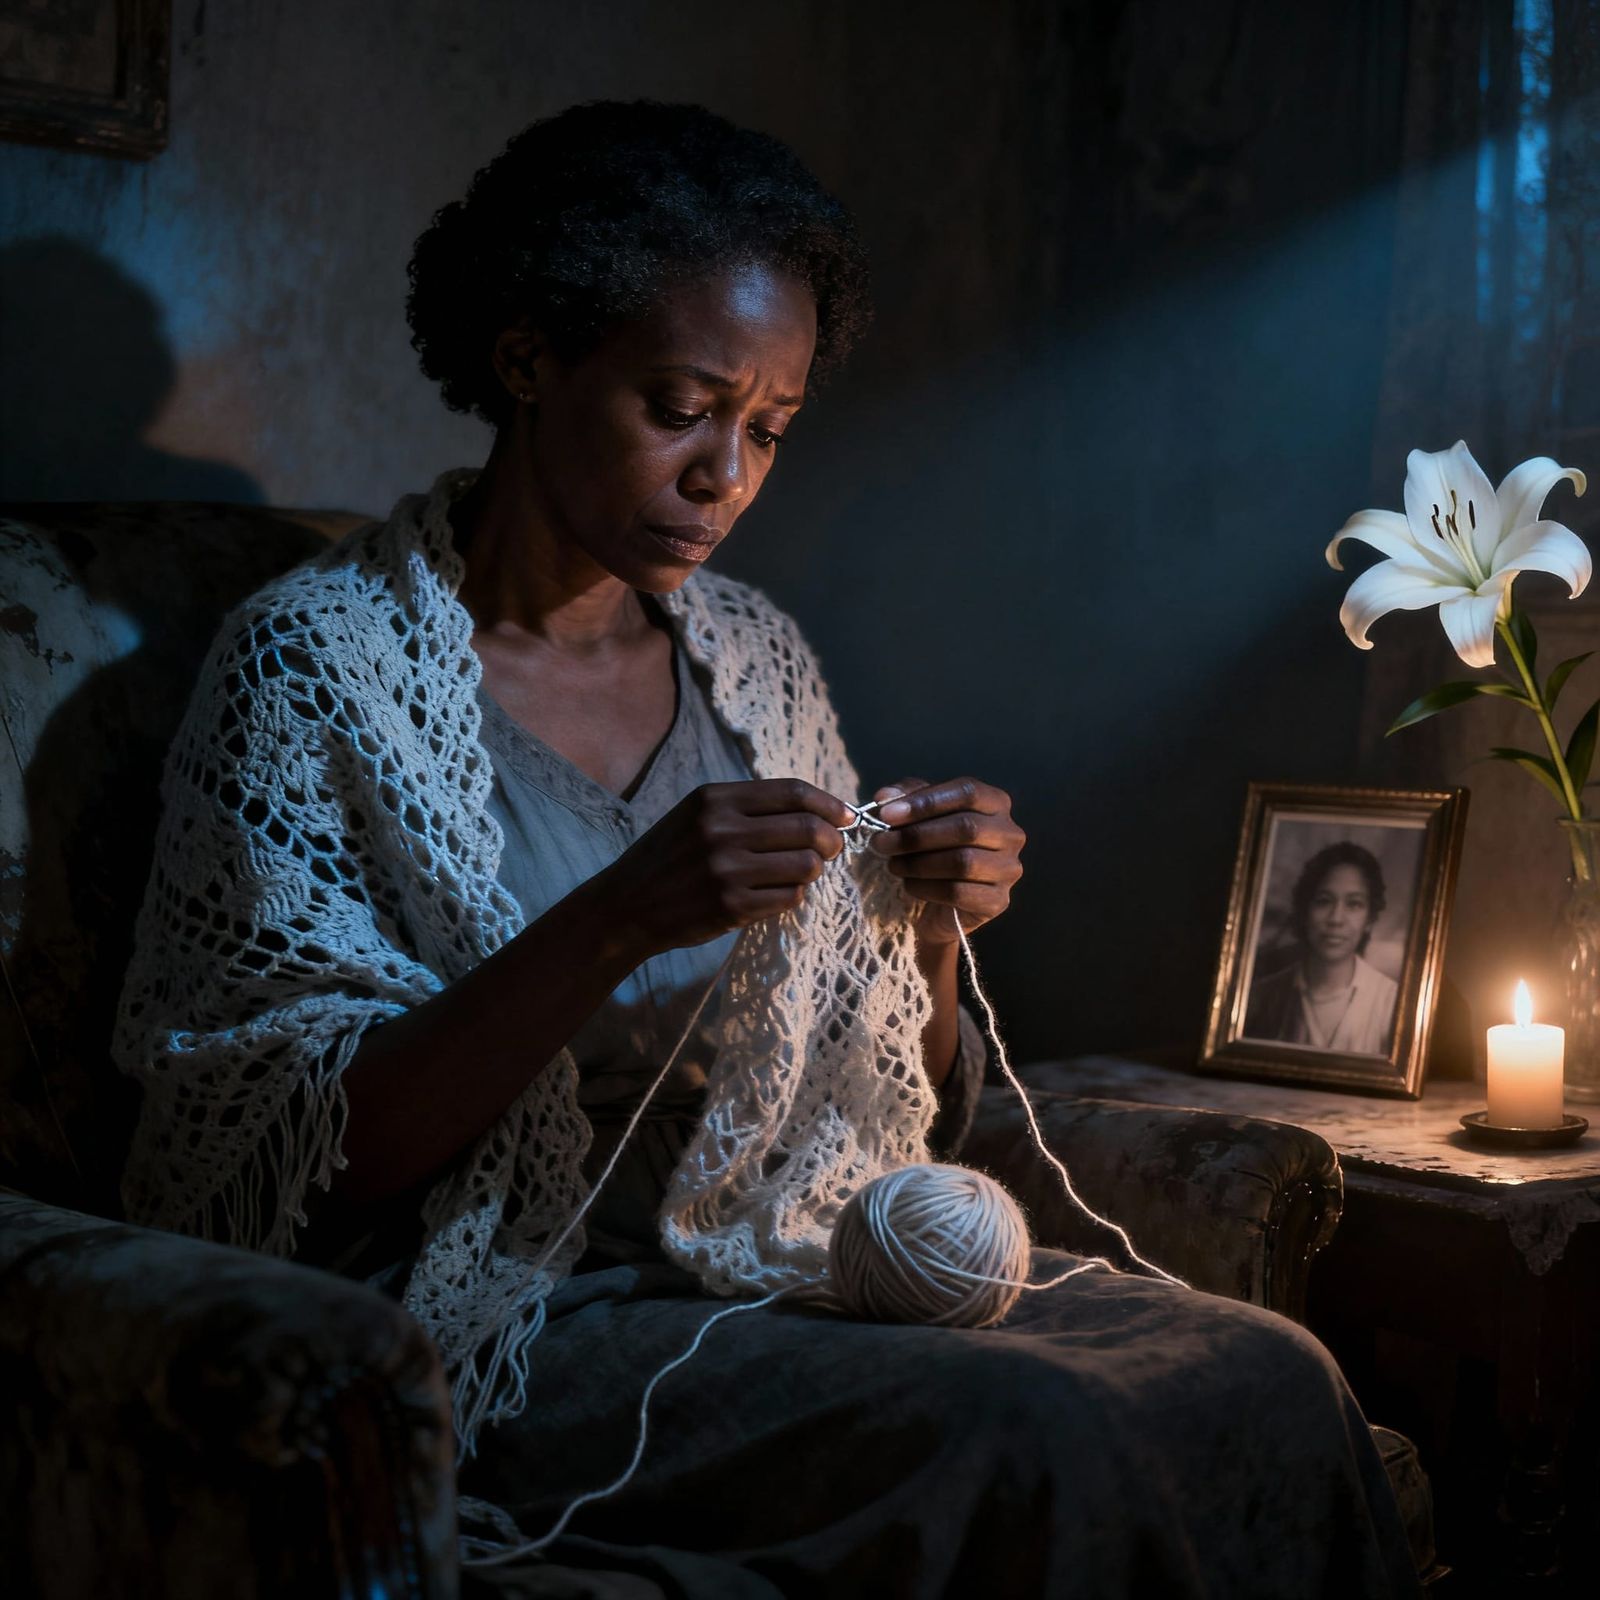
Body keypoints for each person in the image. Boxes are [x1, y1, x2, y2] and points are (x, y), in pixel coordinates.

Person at [114, 102, 1419, 1597]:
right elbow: (285, 1156)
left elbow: (900, 1088)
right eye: (681, 404)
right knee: (1046, 1424)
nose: (725, 472)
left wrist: (928, 923)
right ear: (530, 355)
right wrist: (617, 917)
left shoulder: (753, 654)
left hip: (780, 1250)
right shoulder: (310, 670)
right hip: (506, 1307)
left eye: (770, 429)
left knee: (1272, 1369)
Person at [1244, 841, 1401, 1056]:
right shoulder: (1260, 998)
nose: (1336, 919)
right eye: (1323, 901)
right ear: (1305, 910)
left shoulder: (1391, 1004)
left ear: (1370, 918)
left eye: (1354, 904)